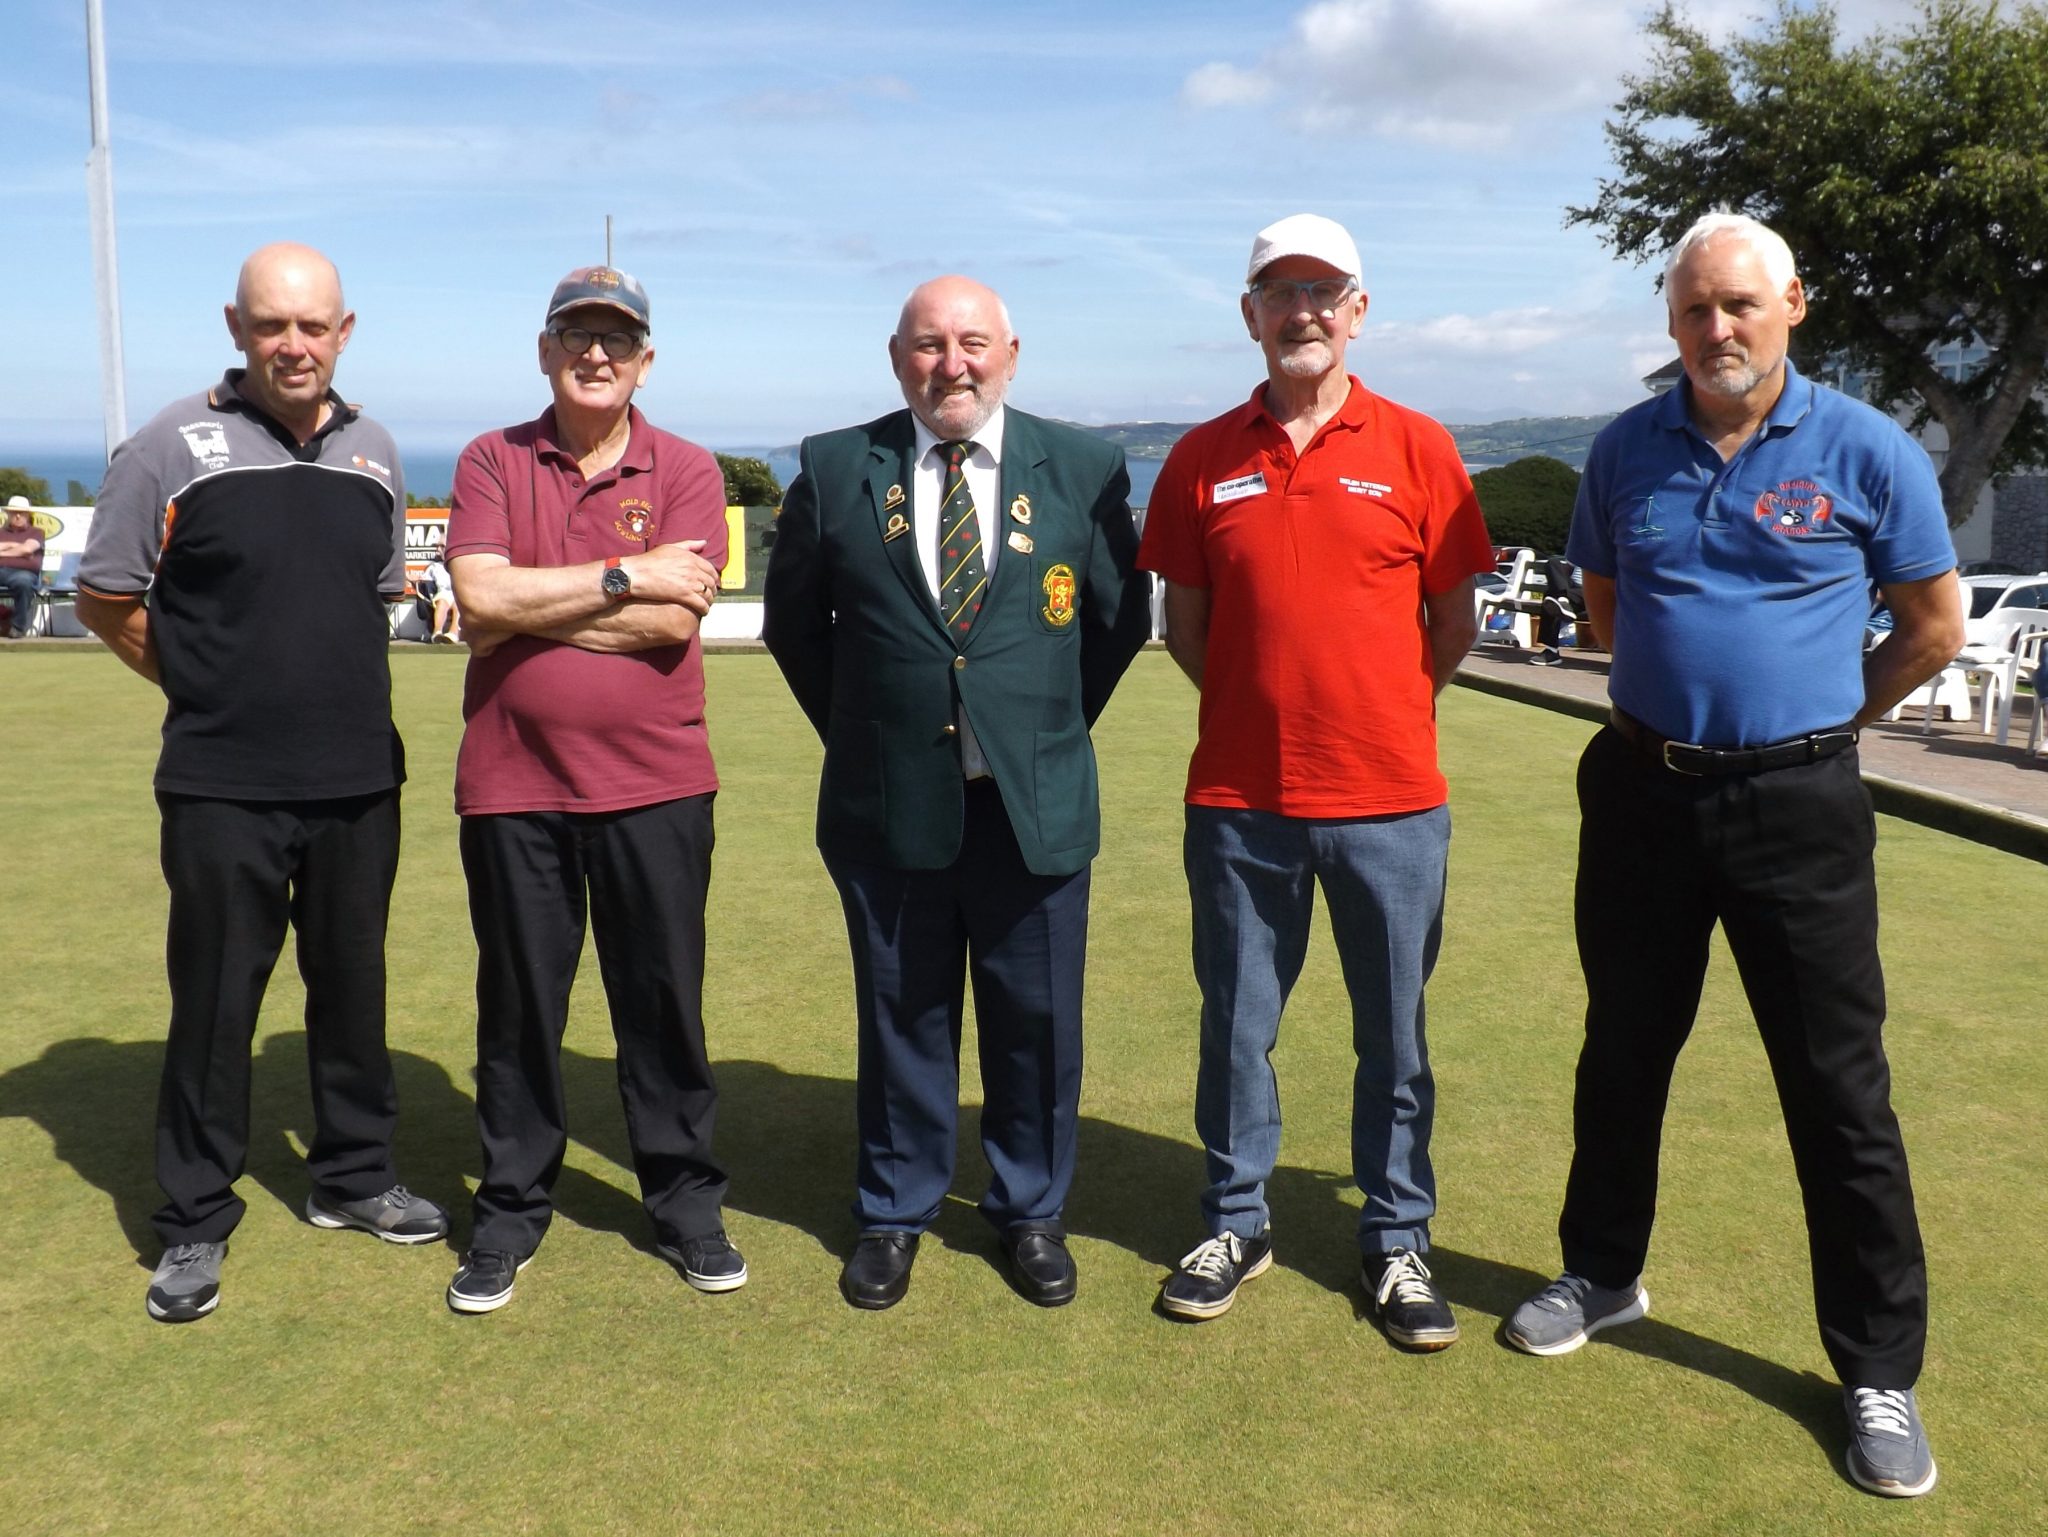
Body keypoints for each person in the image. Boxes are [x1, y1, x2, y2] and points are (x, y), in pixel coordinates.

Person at [1504, 213, 1963, 1500]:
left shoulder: (1865, 448)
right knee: (1622, 1050)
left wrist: (1819, 723)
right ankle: (1601, 1272)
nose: (1717, 329)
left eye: (1739, 306)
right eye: (1694, 309)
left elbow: (1929, 627)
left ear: (1791, 305)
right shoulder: (1624, 451)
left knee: (1837, 1091)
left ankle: (1876, 1365)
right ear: (1669, 323)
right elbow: (1605, 609)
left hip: (1798, 809)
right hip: (1642, 792)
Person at [75, 242, 449, 1324]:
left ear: (344, 332)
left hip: (357, 781)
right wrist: (200, 683)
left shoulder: (373, 450)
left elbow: (371, 596)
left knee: (352, 988)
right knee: (216, 1000)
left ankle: (353, 1175)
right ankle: (193, 1218)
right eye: (272, 324)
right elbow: (106, 595)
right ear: (236, 328)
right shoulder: (168, 445)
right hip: (221, 783)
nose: (294, 343)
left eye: (313, 325)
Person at [1137, 214, 1492, 1346]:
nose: (1300, 311)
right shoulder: (1201, 457)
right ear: (1248, 314)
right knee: (1236, 1028)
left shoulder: (1419, 446)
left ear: (1357, 310)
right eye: (1277, 292)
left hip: (1390, 802)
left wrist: (1375, 713)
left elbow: (1450, 623)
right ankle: (1235, 1220)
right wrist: (1265, 706)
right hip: (1239, 802)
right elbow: (1186, 629)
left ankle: (1395, 1238)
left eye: (1320, 292)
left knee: (1392, 1035)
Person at [763, 276, 1151, 1310]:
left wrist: (1042, 735)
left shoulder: (1081, 465)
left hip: (1034, 803)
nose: (953, 364)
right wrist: (875, 738)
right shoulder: (838, 465)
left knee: (1036, 1020)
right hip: (889, 804)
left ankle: (1029, 1211)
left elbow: (1113, 625)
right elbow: (794, 630)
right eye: (928, 345)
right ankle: (894, 1209)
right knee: (902, 1015)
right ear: (898, 359)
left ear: (1012, 353)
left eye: (972, 342)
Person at [440, 265, 741, 1315]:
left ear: (646, 358)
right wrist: (622, 573)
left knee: (660, 1001)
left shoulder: (689, 468)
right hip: (512, 785)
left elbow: (675, 621)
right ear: (545, 348)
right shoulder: (489, 457)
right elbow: (477, 597)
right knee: (519, 1006)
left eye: (618, 338)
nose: (597, 353)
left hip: (656, 783)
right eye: (577, 334)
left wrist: (528, 606)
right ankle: (509, 1211)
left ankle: (685, 1205)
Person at [0, 494, 44, 637]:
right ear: (8, 514)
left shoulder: (37, 532)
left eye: (21, 513)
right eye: (14, 513)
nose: (17, 516)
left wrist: (5, 550)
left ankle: (18, 627)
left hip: (24, 572)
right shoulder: (1, 532)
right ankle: (5, 613)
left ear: (27, 514)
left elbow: (27, 549)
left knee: (22, 582)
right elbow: (23, 549)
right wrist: (15, 546)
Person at [417, 535, 460, 643]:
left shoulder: (460, 564)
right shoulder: (434, 567)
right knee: (442, 602)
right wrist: (414, 580)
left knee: (457, 603)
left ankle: (453, 633)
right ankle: (437, 633)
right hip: (442, 593)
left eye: (442, 546)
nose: (438, 550)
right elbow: (423, 582)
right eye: (437, 547)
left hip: (458, 593)